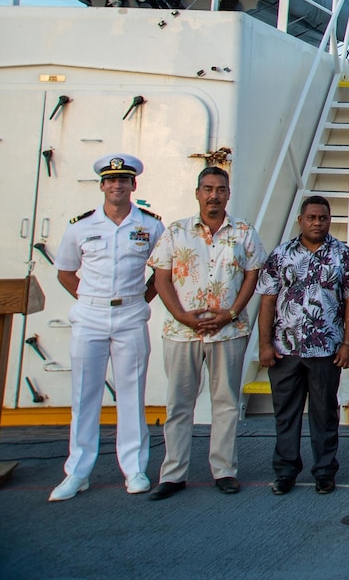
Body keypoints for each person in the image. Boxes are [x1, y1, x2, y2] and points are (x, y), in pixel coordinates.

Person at [49, 154, 164, 502]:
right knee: (85, 395)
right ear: (102, 185)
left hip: (130, 314)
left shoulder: (150, 226)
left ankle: (134, 469)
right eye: (111, 180)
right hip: (90, 316)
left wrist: (140, 300)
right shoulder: (81, 226)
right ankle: (78, 472)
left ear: (134, 185)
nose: (118, 185)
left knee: (132, 395)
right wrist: (90, 299)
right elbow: (66, 271)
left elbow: (161, 273)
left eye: (124, 180)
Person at [147, 165, 262, 499]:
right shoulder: (175, 232)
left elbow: (252, 277)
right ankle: (172, 474)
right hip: (182, 332)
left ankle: (224, 470)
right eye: (208, 188)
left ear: (228, 193)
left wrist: (230, 313)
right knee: (179, 403)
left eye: (220, 189)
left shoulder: (244, 232)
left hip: (228, 331)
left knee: (225, 402)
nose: (214, 195)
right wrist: (182, 316)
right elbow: (161, 278)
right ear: (198, 193)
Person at [255, 195, 349, 495]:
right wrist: (264, 344)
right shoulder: (281, 255)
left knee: (325, 413)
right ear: (300, 220)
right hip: (285, 349)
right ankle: (286, 471)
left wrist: (348, 343)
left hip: (326, 350)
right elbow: (268, 300)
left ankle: (325, 471)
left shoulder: (344, 256)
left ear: (330, 220)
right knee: (285, 413)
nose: (317, 223)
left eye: (323, 218)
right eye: (311, 217)